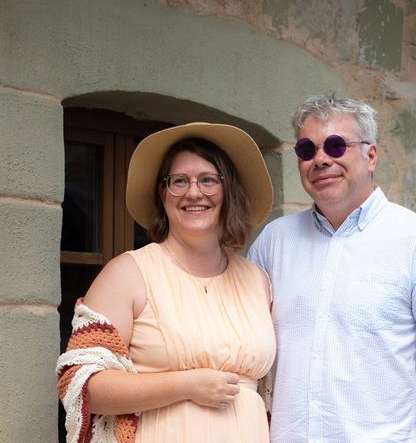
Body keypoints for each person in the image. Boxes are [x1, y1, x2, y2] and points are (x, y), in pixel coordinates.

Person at [248, 94, 416, 442]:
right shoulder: (273, 242)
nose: (321, 159)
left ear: (371, 155)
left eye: (337, 146)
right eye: (307, 150)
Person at [57, 122, 276, 443]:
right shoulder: (128, 273)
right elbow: (80, 384)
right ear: (163, 193)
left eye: (208, 180)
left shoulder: (257, 280)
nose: (193, 192)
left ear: (228, 191)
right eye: (179, 181)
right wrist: (185, 386)